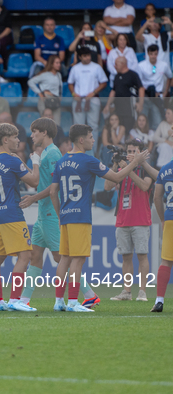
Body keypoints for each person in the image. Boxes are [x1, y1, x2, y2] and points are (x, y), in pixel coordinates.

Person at [49, 124, 149, 312]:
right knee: (78, 260)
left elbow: (53, 191)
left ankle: (59, 301)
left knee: (64, 259)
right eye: (90, 137)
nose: (93, 140)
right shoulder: (89, 160)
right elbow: (116, 178)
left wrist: (60, 214)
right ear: (81, 140)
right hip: (80, 216)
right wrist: (134, 163)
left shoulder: (61, 161)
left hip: (66, 216)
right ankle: (72, 302)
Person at [19, 118, 101, 308]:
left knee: (62, 258)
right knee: (36, 257)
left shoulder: (55, 153)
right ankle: (23, 299)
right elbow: (45, 181)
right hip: (43, 214)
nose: (32, 135)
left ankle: (87, 294)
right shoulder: (46, 152)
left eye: (35, 132)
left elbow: (54, 186)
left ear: (45, 133)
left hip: (50, 214)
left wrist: (33, 198)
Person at [0, 123, 40, 312]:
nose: (18, 140)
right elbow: (34, 181)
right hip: (13, 215)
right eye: (15, 137)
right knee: (25, 256)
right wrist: (35, 161)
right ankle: (15, 300)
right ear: (5, 139)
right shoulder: (13, 160)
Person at [104, 138, 154, 302]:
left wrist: (129, 169)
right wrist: (115, 165)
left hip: (140, 219)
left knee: (142, 255)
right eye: (129, 151)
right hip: (123, 219)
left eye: (134, 151)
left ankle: (142, 291)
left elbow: (145, 186)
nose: (131, 154)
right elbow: (107, 186)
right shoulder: (122, 168)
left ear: (141, 152)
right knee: (126, 257)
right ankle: (126, 291)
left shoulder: (145, 168)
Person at [67, 47, 108, 138]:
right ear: (80, 57)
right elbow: (70, 83)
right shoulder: (75, 68)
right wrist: (74, 94)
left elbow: (104, 83)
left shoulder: (97, 67)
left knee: (93, 127)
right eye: (85, 56)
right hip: (78, 100)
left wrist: (93, 92)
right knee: (78, 127)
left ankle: (92, 152)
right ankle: (78, 152)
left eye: (88, 55)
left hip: (93, 99)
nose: (88, 58)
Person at [151, 158, 173, 312]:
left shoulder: (165, 169)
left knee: (165, 262)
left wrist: (163, 219)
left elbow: (156, 197)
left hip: (170, 218)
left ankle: (159, 300)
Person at [103, 57, 144, 134]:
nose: (114, 66)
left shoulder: (133, 75)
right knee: (119, 131)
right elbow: (113, 91)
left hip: (130, 109)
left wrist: (140, 103)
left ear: (122, 64)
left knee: (130, 129)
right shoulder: (117, 76)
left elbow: (141, 89)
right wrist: (108, 105)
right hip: (119, 109)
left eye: (116, 64)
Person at [137, 45, 172, 129]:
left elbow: (170, 77)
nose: (153, 56)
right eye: (151, 54)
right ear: (148, 54)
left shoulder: (163, 65)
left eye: (155, 54)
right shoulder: (141, 65)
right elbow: (138, 82)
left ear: (158, 54)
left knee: (158, 121)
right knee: (142, 121)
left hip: (158, 97)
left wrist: (165, 92)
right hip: (146, 97)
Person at [28, 55, 63, 124]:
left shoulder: (59, 75)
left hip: (55, 100)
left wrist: (59, 96)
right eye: (57, 63)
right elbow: (30, 82)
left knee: (56, 123)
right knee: (45, 124)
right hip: (45, 99)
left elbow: (60, 87)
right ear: (51, 64)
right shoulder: (44, 75)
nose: (59, 65)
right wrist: (40, 93)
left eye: (59, 63)